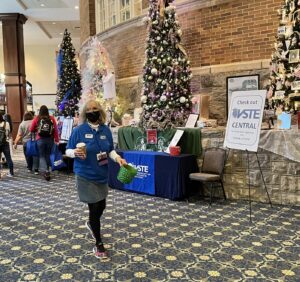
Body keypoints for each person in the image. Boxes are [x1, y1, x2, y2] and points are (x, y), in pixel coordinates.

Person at [65, 99, 127, 259]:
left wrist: (118, 159)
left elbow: (110, 150)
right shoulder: (79, 130)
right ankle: (98, 243)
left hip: (101, 174)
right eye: (90, 109)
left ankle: (92, 223)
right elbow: (68, 150)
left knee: (102, 205)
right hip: (85, 174)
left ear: (100, 111)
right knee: (94, 207)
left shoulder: (105, 130)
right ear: (85, 113)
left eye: (95, 108)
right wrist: (74, 153)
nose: (92, 111)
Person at [30, 105, 59, 181]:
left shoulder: (37, 118)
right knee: (48, 154)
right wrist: (57, 139)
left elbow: (31, 129)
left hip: (40, 139)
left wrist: (36, 129)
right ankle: (48, 169)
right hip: (50, 139)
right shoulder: (51, 118)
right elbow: (55, 130)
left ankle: (45, 171)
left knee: (42, 156)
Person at [0, 113, 14, 177]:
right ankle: (11, 173)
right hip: (5, 142)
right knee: (8, 158)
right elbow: (8, 132)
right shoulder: (6, 123)